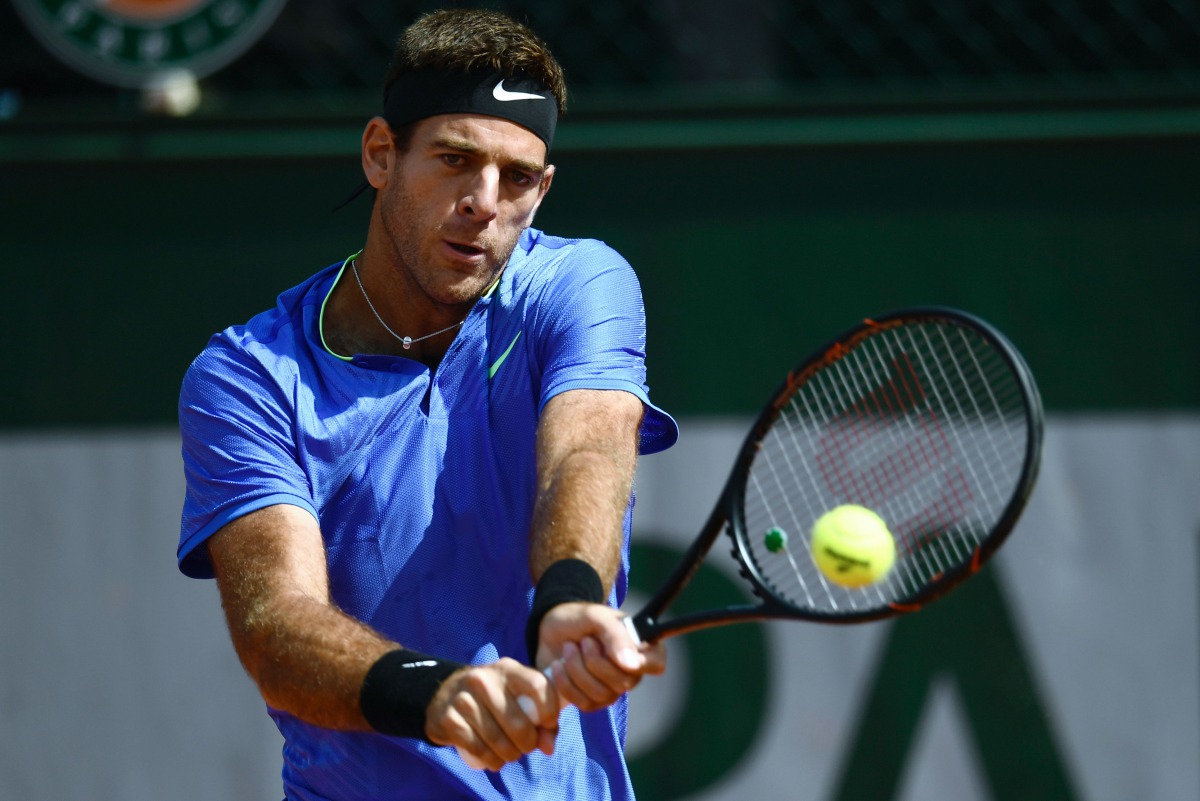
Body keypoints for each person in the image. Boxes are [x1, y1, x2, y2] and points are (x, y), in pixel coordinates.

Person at [176, 7, 678, 801]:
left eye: (517, 178)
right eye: (453, 159)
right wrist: (433, 694)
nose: (484, 200)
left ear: (542, 190)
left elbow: (586, 448)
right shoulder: (248, 377)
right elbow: (275, 623)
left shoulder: (580, 284)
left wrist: (570, 597)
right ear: (381, 154)